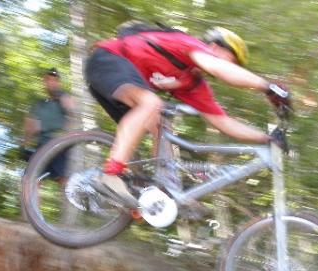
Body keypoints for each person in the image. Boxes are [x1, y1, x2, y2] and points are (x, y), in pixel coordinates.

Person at [84, 25, 292, 206]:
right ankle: (110, 174)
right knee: (152, 103)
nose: (233, 67)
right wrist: (268, 87)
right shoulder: (189, 44)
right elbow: (218, 68)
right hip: (106, 60)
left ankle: (158, 189)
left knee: (160, 125)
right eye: (233, 61)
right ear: (215, 47)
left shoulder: (192, 83)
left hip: (118, 84)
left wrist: (268, 138)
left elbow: (224, 123)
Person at [23, 68, 75, 179]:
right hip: (42, 145)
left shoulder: (63, 98)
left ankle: (67, 196)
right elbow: (31, 126)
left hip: (59, 144)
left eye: (54, 80)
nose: (51, 83)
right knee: (30, 178)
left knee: (63, 178)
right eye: (48, 80)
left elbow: (72, 111)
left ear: (58, 83)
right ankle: (30, 196)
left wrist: (59, 93)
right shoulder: (40, 104)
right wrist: (25, 144)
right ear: (44, 83)